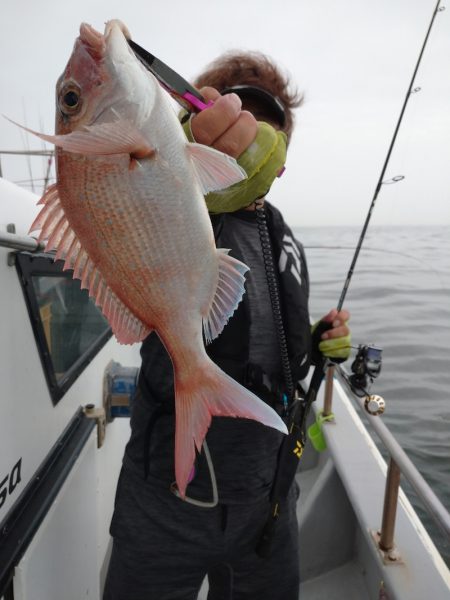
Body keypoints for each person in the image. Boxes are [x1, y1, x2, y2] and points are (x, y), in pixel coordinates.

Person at [103, 51, 351, 600]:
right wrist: (180, 168)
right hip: (166, 502)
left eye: (269, 122)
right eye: (238, 112)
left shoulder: (286, 238)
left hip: (269, 500)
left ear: (282, 153)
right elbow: (116, 211)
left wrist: (319, 343)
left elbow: (278, 354)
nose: (250, 130)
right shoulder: (174, 203)